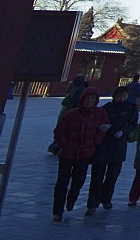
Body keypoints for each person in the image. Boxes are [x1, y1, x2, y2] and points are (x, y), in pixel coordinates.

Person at [51, 87, 109, 221]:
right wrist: (64, 144)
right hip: (67, 153)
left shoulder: (100, 113)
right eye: (88, 98)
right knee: (62, 183)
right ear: (83, 99)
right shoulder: (72, 114)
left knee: (78, 181)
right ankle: (57, 212)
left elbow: (105, 127)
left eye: (93, 99)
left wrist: (96, 141)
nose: (90, 101)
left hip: (85, 153)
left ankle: (71, 198)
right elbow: (59, 131)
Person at [85, 86, 138, 215]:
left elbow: (133, 124)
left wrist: (123, 132)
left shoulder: (131, 108)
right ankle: (92, 204)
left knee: (112, 176)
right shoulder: (106, 108)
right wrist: (106, 129)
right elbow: (98, 123)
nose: (122, 98)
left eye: (124, 96)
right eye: (119, 96)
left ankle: (106, 199)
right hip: (103, 145)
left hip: (119, 146)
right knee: (97, 176)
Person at [48, 75, 87, 154]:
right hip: (70, 114)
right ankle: (57, 148)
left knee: (62, 131)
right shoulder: (81, 90)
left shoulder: (72, 89)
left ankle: (54, 147)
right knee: (68, 133)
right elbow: (76, 103)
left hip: (64, 112)